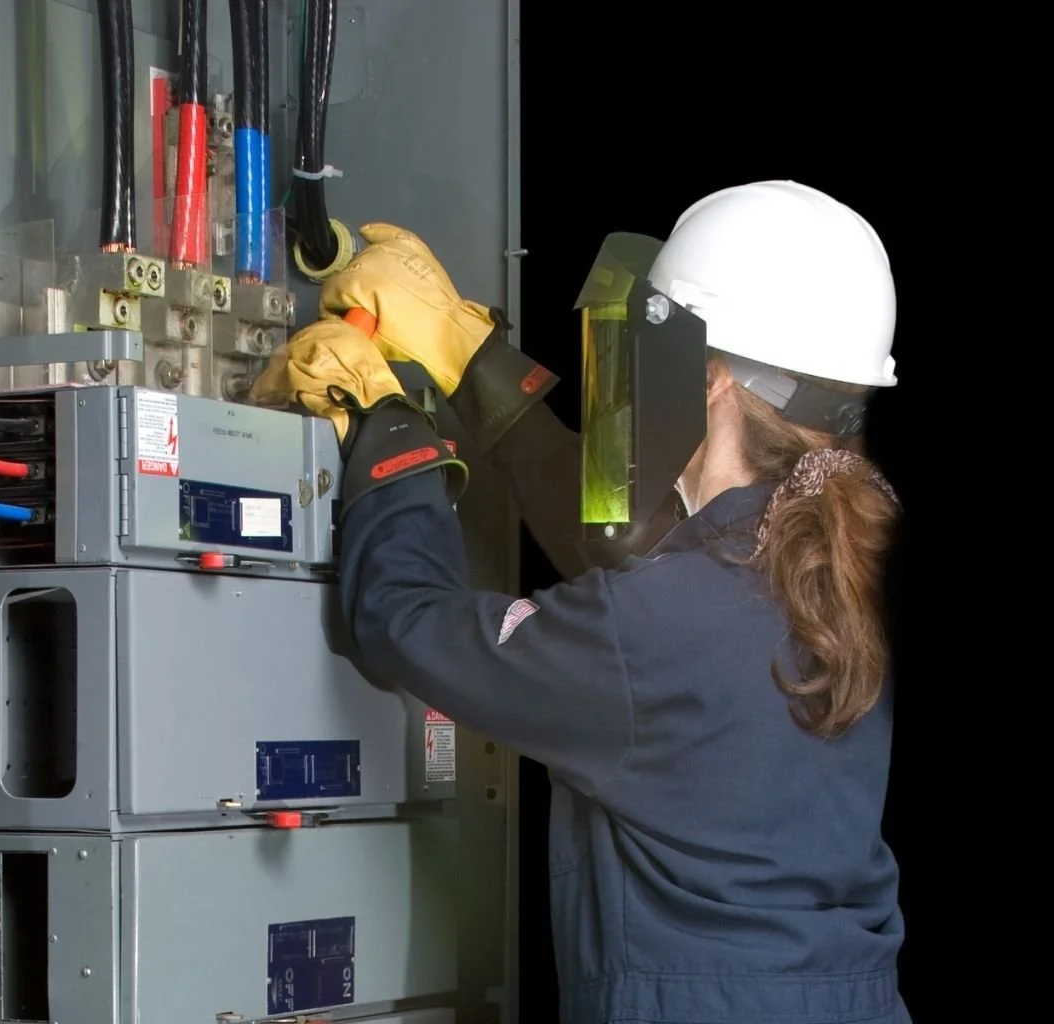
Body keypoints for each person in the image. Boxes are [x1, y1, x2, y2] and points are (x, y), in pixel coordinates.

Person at [251, 181, 908, 1024]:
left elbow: (406, 621)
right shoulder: (855, 550)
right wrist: (468, 361)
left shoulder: (668, 620)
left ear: (702, 377)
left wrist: (383, 421)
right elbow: (639, 561)